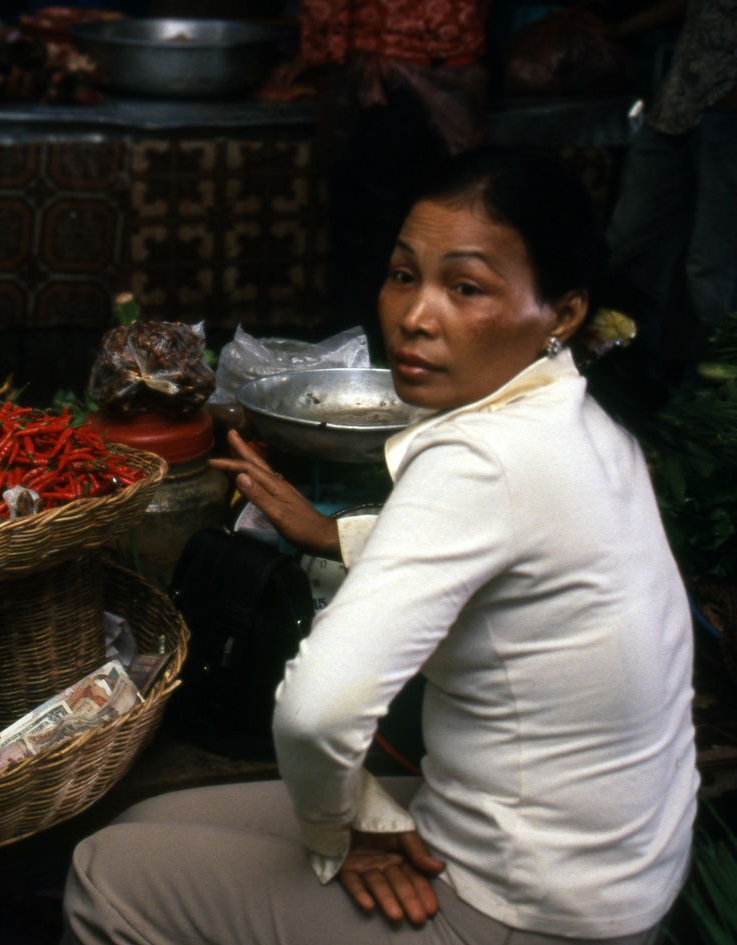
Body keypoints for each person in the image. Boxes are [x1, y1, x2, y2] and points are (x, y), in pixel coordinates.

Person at [61, 149, 698, 944]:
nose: (415, 316)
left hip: (528, 908)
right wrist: (335, 535)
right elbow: (528, 567)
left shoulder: (478, 458)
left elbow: (316, 711)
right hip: (617, 875)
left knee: (106, 874)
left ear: (562, 313)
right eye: (405, 274)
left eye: (465, 287)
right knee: (152, 819)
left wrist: (345, 829)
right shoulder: (584, 424)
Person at [260, 0, 490, 357]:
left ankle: (366, 357)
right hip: (456, 73)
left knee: (373, 235)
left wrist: (315, 63)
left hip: (386, 84)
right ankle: (431, 348)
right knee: (437, 222)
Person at [606, 0, 737, 382]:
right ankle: (626, 383)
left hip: (727, 119)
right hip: (677, 104)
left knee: (715, 273)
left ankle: (706, 411)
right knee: (630, 249)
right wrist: (621, 29)